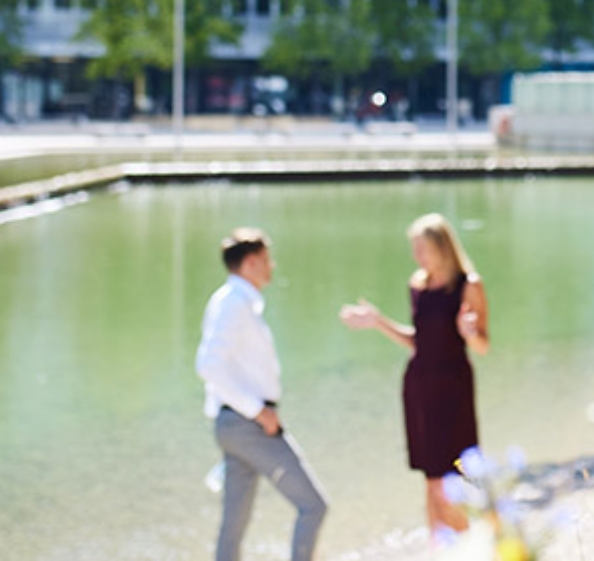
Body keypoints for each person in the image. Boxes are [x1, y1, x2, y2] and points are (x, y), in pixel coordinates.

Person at [339, 213, 491, 539]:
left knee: (451, 479)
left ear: (442, 247)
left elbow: (483, 345)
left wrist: (468, 333)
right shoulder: (417, 285)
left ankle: (469, 547)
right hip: (419, 386)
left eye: (421, 248)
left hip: (452, 389)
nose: (416, 256)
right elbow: (418, 341)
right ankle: (438, 549)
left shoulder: (468, 285)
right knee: (430, 478)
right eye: (414, 249)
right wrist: (377, 321)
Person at [196, 228, 328, 561]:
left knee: (233, 524)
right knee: (313, 506)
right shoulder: (234, 304)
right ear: (251, 262)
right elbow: (208, 365)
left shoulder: (233, 301)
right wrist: (258, 412)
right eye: (267, 260)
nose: (272, 266)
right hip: (247, 424)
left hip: (235, 425)